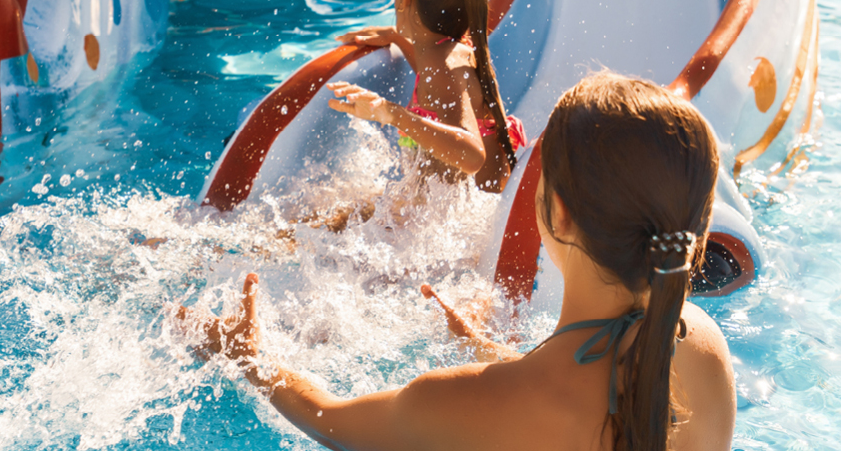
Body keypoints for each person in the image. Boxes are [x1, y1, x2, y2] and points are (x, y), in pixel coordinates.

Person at [178, 73, 736, 451]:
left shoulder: (460, 402)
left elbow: (332, 420)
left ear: (557, 216)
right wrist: (498, 358)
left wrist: (252, 358)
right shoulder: (705, 350)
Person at [327, 0, 526, 195]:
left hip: (453, 227)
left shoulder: (443, 65)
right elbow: (434, 81)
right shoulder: (451, 54)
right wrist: (396, 37)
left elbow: (472, 156)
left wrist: (392, 113)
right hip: (461, 215)